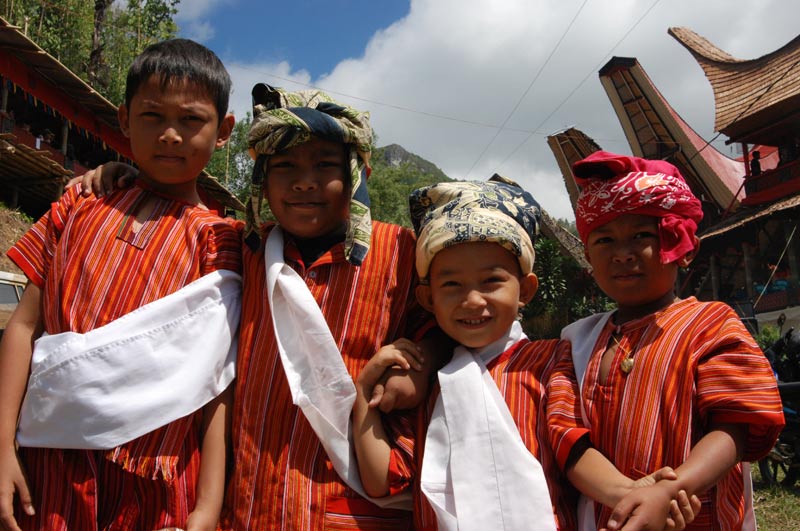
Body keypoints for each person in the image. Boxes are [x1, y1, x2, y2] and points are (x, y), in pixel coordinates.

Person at [73, 84, 440, 530]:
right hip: (249, 509)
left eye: (325, 165)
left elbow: (455, 331)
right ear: (261, 179)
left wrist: (424, 365)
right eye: (284, 166)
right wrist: (121, 176)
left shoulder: (402, 254)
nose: (305, 181)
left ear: (356, 172)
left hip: (351, 508)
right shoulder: (242, 249)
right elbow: (174, 221)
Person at [353, 178, 700, 531]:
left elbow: (571, 447)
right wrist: (365, 395)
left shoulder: (549, 361)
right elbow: (385, 478)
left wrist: (628, 492)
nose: (472, 300)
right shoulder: (430, 381)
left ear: (526, 289)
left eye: (491, 281)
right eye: (451, 285)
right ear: (428, 300)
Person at [0, 38, 240, 531]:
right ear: (124, 119)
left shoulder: (221, 242)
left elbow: (215, 383)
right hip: (49, 464)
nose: (171, 135)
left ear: (224, 131)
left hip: (158, 475)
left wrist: (208, 506)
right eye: (152, 117)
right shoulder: (78, 207)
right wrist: (2, 444)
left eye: (191, 120)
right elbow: (24, 327)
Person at [549, 151, 786, 530]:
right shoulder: (575, 341)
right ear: (588, 256)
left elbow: (735, 425)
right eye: (605, 239)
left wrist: (671, 490)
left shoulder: (711, 324)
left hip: (690, 514)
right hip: (608, 516)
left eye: (642, 236)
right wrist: (630, 496)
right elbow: (566, 434)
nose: (623, 254)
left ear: (681, 247)